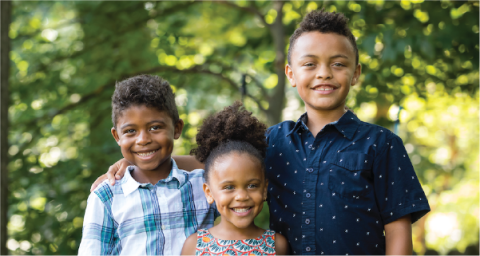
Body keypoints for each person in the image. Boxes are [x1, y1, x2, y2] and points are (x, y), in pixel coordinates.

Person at [92, 9, 430, 256]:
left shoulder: (381, 144)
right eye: (310, 64)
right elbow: (217, 162)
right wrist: (139, 165)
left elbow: (398, 230)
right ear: (291, 73)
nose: (324, 74)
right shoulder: (275, 141)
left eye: (338, 63)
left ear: (356, 73)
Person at [78, 75, 217, 256]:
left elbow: (243, 174)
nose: (143, 140)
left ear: (177, 128)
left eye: (155, 128)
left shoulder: (203, 184)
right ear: (117, 137)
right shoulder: (106, 197)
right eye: (130, 131)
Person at [180, 102, 289, 255]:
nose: (242, 196)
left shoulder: (278, 245)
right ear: (209, 192)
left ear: (265, 189)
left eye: (252, 185)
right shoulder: (194, 245)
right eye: (229, 187)